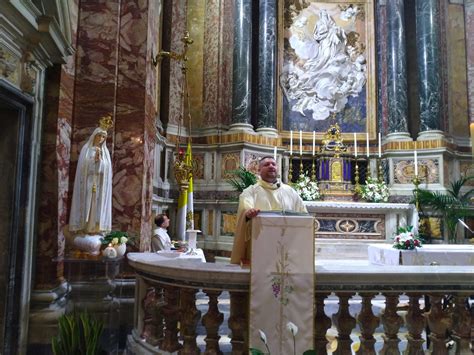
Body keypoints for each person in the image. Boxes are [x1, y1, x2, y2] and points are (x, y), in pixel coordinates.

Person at [230, 156, 307, 264]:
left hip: (286, 244)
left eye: (273, 164)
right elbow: (246, 207)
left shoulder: (290, 192)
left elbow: (303, 214)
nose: (271, 166)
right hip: (260, 243)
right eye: (266, 165)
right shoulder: (251, 191)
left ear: (278, 168)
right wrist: (249, 213)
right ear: (258, 170)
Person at [69, 127, 112, 234]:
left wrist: (100, 161)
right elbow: (83, 167)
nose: (101, 139)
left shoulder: (105, 152)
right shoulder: (86, 150)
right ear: (94, 136)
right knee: (87, 202)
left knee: (97, 204)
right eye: (99, 136)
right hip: (88, 181)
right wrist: (94, 161)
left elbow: (106, 169)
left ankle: (95, 228)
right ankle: (84, 227)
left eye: (103, 137)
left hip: (100, 183)